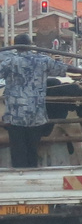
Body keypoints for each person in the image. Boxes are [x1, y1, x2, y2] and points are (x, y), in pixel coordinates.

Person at [0, 37, 72, 168]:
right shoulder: (43, 60)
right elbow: (65, 68)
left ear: (15, 47)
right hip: (36, 117)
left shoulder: (9, 62)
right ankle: (32, 174)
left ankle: (21, 178)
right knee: (33, 151)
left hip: (15, 118)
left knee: (18, 153)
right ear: (30, 45)